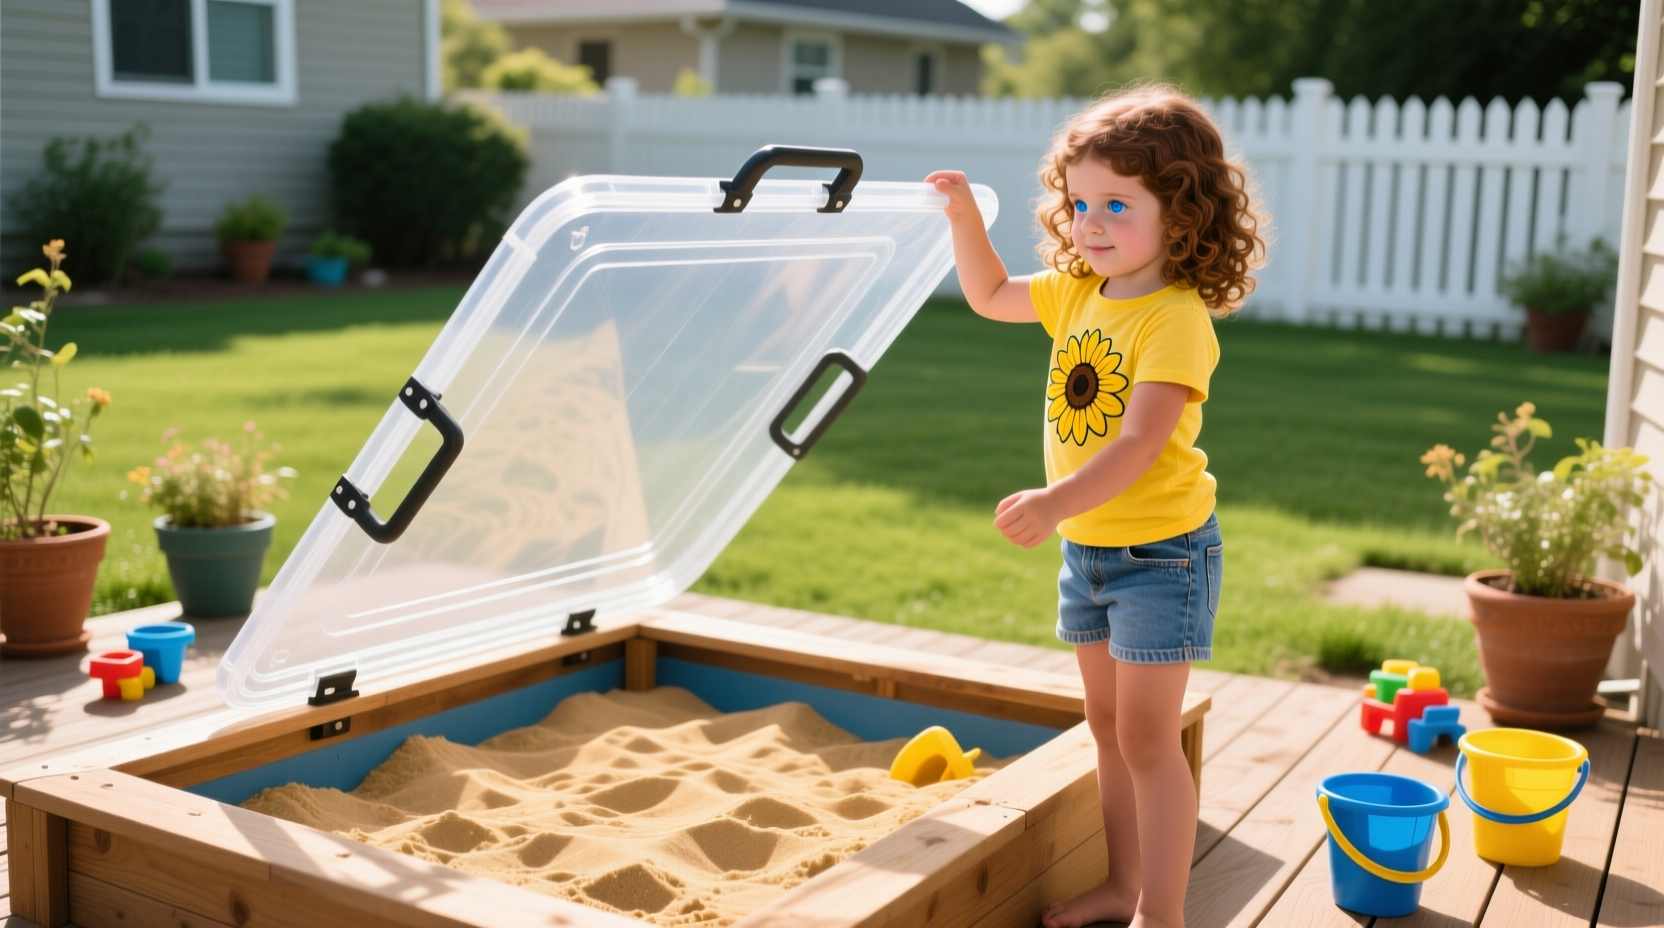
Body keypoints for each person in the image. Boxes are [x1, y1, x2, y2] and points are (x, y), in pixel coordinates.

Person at [925, 84, 1264, 928]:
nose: (1093, 223)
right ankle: (1122, 886)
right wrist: (964, 217)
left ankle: (1164, 914)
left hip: (1162, 558)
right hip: (1092, 555)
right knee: (1107, 733)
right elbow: (991, 294)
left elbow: (1140, 443)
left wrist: (1053, 500)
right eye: (1081, 203)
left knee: (1150, 742)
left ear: (1181, 217)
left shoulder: (1175, 318)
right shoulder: (1079, 293)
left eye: (1119, 204)